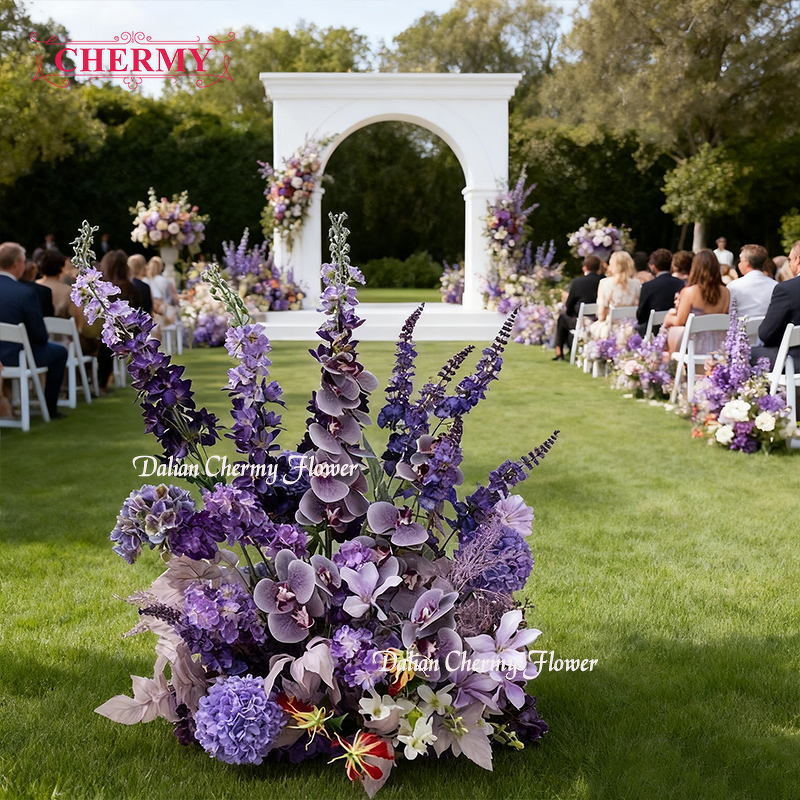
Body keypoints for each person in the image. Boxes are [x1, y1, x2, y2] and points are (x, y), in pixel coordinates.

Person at [0, 242, 68, 419]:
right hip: (17, 356)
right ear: (16, 264)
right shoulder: (25, 293)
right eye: (23, 261)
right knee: (60, 352)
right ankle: (50, 408)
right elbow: (39, 335)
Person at [663, 249, 730, 356]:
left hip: (692, 349)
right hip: (718, 348)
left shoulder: (690, 292)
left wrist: (668, 318)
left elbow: (680, 321)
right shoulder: (726, 292)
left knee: (666, 328)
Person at [97, 250, 143, 392]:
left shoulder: (101, 291)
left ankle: (99, 381)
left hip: (116, 337)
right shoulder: (133, 290)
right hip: (131, 335)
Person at [752, 241, 800, 368]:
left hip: (792, 360)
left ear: (797, 260)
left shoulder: (786, 289)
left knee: (740, 354)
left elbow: (766, 334)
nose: (789, 264)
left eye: (790, 259)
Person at [552, 255, 603, 360]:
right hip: (600, 320)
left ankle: (559, 352)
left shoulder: (577, 282)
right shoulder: (604, 280)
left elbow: (569, 306)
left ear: (585, 267)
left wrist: (572, 312)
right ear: (598, 268)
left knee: (562, 318)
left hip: (582, 321)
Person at [588, 250, 641, 339]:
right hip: (631, 328)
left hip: (611, 329)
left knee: (592, 329)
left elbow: (601, 315)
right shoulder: (636, 284)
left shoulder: (605, 283)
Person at [634, 248, 685, 335]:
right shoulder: (680, 283)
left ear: (653, 266)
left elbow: (641, 316)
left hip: (652, 331)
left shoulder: (648, 286)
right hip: (675, 329)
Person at [728, 244, 776, 319]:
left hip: (740, 329)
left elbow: (729, 313)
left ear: (747, 263)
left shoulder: (734, 286)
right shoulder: (775, 286)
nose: (739, 264)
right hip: (768, 329)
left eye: (740, 261)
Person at [37, 250, 83, 323]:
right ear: (61, 267)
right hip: (62, 332)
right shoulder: (69, 291)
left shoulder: (31, 287)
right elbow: (76, 320)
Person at [144, 255, 180, 334]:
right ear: (161, 267)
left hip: (149, 315)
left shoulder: (145, 281)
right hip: (163, 314)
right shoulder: (166, 280)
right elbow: (171, 298)